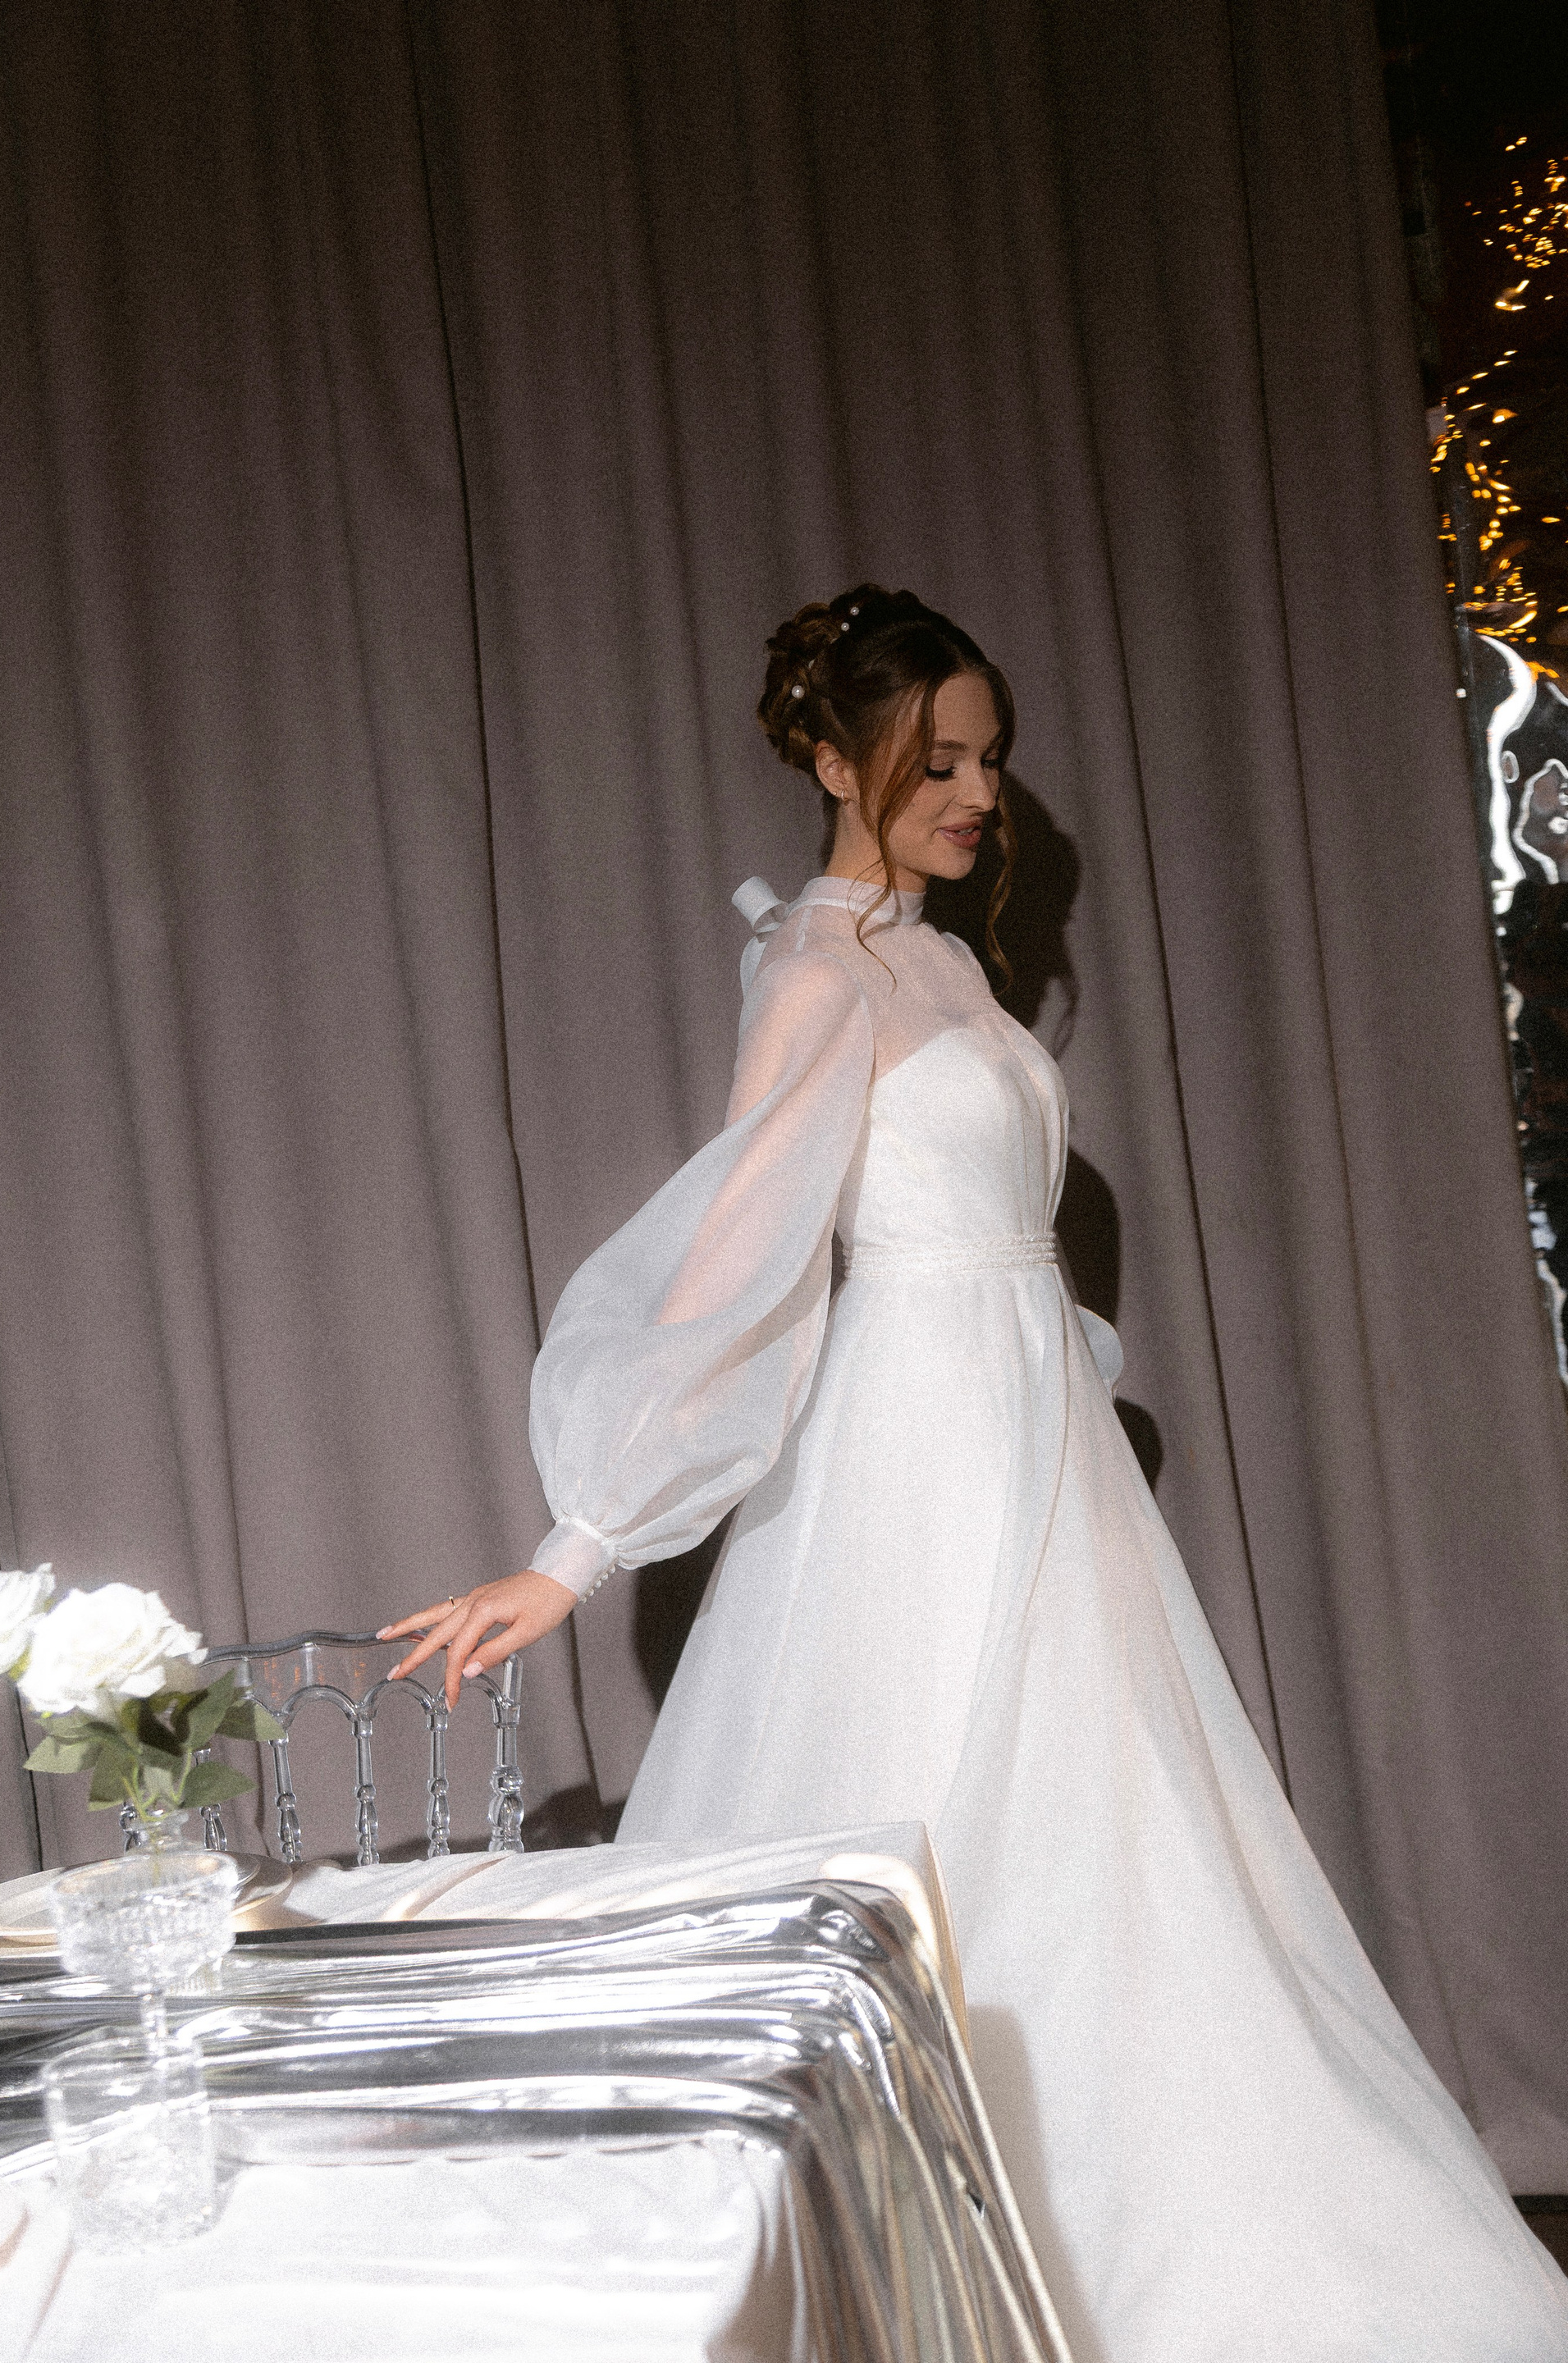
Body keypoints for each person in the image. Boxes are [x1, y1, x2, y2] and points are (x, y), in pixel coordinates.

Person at [382, 587, 1568, 2361]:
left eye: (990, 757)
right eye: (937, 759)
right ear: (828, 756)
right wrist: (578, 1546)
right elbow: (742, 1262)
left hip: (1037, 1452)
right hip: (915, 1470)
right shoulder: (815, 968)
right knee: (937, 1820)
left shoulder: (939, 961)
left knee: (1113, 1840)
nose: (978, 792)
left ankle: (1163, 2238)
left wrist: (1060, 1381)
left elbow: (999, 1237)